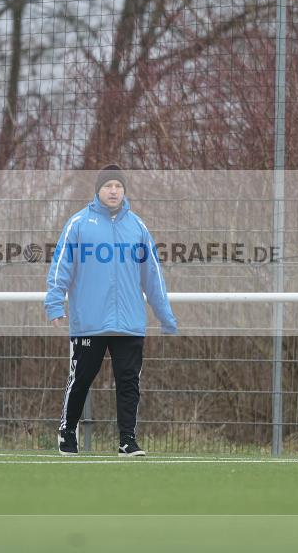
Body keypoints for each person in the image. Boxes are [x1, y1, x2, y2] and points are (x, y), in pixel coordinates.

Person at [45, 165, 177, 457]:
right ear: (98, 190)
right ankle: (67, 431)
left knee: (129, 382)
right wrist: (54, 304)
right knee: (81, 378)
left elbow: (153, 276)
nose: (113, 191)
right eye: (108, 186)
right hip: (89, 321)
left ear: (124, 191)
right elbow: (60, 267)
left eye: (118, 186)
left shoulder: (138, 228)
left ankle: (127, 440)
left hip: (129, 322)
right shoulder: (78, 224)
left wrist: (165, 316)